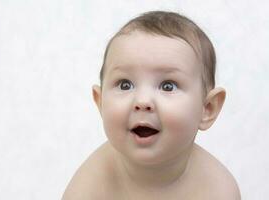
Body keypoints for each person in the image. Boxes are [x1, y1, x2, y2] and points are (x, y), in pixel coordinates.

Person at [62, 11, 241, 199]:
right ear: (101, 102)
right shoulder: (90, 186)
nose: (142, 101)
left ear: (207, 108)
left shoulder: (217, 189)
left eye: (167, 86)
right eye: (125, 84)